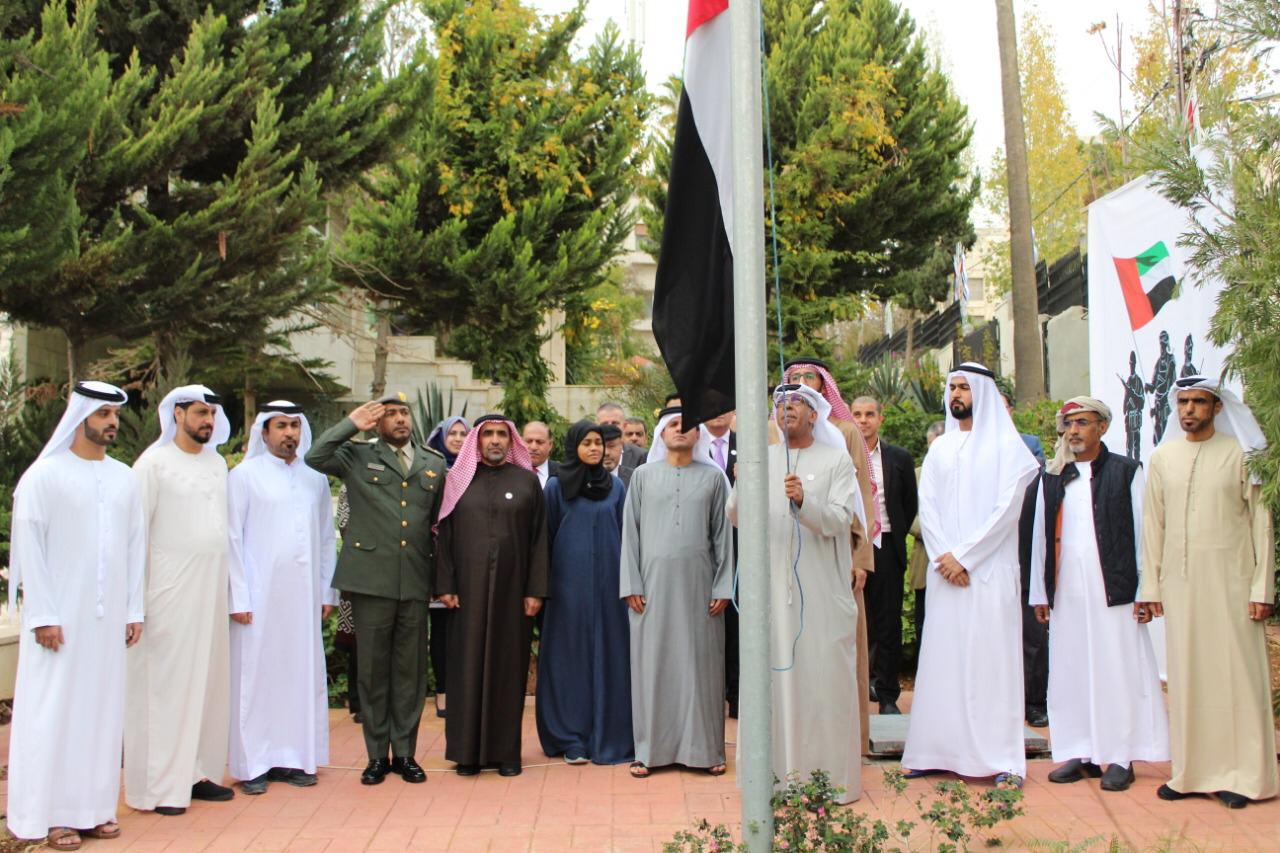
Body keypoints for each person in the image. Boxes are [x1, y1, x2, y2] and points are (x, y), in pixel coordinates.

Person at [6, 382, 145, 848]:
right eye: (103, 414)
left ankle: (93, 809)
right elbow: (29, 549)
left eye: (116, 415)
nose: (112, 422)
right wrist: (43, 615)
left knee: (100, 712)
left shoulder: (124, 477)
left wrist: (133, 609)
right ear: (81, 415)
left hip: (107, 622)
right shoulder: (44, 476)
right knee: (53, 714)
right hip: (58, 621)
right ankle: (49, 816)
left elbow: (135, 547)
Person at [1136, 376, 1278, 809]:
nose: (1189, 410)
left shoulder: (1241, 454)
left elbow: (1262, 522)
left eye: (1198, 402)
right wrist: (1151, 586)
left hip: (1234, 583)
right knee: (1187, 676)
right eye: (1183, 402)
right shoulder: (1163, 458)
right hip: (1180, 586)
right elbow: (1153, 525)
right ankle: (1191, 773)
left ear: (1217, 408)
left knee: (1237, 677)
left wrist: (1262, 588)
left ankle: (1244, 775)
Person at [902, 363, 1039, 789]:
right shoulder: (941, 448)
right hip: (946, 574)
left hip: (988, 573)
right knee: (943, 662)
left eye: (964, 387)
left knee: (990, 665)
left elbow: (1007, 511)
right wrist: (945, 557)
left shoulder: (1008, 448)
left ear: (983, 393)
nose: (956, 394)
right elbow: (928, 506)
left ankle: (1001, 760)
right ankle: (936, 751)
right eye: (952, 387)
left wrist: (965, 558)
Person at [1023, 397, 1169, 792]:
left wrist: (1146, 589)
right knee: (1071, 669)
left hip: (1115, 589)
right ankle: (1080, 751)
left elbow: (1143, 533)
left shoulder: (1126, 471)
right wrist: (1040, 593)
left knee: (1117, 670)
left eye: (1082, 423)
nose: (1073, 431)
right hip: (1068, 591)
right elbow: (1040, 539)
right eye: (1069, 424)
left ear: (1102, 427)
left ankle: (1121, 756)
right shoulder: (1053, 476)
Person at [732, 383, 865, 803]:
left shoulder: (836, 460)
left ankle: (827, 780)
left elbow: (841, 519)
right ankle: (771, 780)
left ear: (814, 415)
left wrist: (805, 500)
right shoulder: (762, 459)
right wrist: (741, 483)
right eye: (780, 404)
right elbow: (736, 516)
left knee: (823, 682)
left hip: (821, 593)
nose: (786, 409)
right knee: (770, 679)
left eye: (796, 403)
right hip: (770, 591)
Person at [305, 394, 447, 786]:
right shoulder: (357, 456)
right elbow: (315, 456)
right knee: (372, 671)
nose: (400, 419)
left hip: (414, 579)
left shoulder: (433, 463)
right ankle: (375, 756)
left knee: (409, 673)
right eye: (391, 414)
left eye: (404, 413)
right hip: (370, 581)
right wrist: (352, 424)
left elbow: (440, 525)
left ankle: (405, 754)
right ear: (378, 422)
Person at [125, 385, 236, 815]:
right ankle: (159, 787)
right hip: (168, 592)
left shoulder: (217, 464)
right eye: (200, 413)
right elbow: (135, 539)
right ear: (177, 414)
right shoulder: (152, 464)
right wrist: (135, 603)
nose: (208, 420)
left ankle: (196, 773)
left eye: (212, 414)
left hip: (211, 592)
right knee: (167, 688)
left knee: (207, 683)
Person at [227, 402, 338, 795]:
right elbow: (232, 538)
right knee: (256, 677)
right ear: (264, 432)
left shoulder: (315, 479)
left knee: (300, 674)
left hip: (303, 598)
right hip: (257, 599)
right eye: (281, 426)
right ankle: (254, 764)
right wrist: (238, 597)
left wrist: (327, 590)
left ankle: (295, 758)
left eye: (294, 425)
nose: (289, 433)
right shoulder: (243, 476)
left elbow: (326, 538)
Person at [435, 415, 549, 777]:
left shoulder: (527, 482)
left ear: (511, 441)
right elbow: (443, 536)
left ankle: (506, 754)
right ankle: (466, 754)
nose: (495, 440)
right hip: (465, 595)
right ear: (477, 441)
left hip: (513, 595)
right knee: (465, 668)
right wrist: (445, 585)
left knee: (508, 670)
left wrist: (536, 590)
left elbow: (540, 540)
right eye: (488, 435)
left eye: (502, 434)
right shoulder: (458, 481)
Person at [623, 408, 733, 778]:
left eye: (688, 425)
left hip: (701, 590)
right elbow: (630, 534)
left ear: (699, 435)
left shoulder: (714, 478)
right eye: (673, 424)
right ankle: (649, 752)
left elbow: (723, 537)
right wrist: (631, 584)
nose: (680, 430)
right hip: (650, 590)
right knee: (652, 667)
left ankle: (706, 751)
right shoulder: (642, 476)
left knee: (701, 668)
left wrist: (723, 585)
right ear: (661, 433)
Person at [772, 357, 875, 751]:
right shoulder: (772, 436)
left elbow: (859, 500)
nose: (798, 383)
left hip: (834, 557)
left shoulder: (844, 432)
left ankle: (847, 745)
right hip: (781, 566)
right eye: (792, 378)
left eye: (807, 379)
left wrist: (860, 558)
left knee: (834, 653)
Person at [536, 422, 632, 766]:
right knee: (569, 660)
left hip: (610, 590)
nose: (594, 448)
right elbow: (544, 540)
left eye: (599, 443)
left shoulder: (616, 487)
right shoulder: (556, 486)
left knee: (610, 655)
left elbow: (626, 536)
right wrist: (543, 589)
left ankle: (606, 730)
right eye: (587, 443)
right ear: (573, 447)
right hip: (567, 591)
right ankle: (570, 736)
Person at [849, 395, 918, 715]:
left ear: (880, 419)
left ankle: (888, 694)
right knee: (855, 622)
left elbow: (909, 503)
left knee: (888, 623)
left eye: (869, 414)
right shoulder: (842, 455)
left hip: (887, 546)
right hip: (853, 547)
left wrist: (893, 532)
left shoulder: (898, 458)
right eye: (857, 414)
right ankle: (857, 689)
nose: (863, 420)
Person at [998, 377, 1049, 728]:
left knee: (1032, 630)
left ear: (1011, 411)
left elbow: (1033, 488)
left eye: (1002, 407)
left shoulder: (1029, 445)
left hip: (1026, 546)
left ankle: (1034, 701)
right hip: (988, 553)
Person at [426, 416, 471, 718]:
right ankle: (442, 691)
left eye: (462, 433)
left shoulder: (474, 470)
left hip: (468, 560)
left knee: (464, 630)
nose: (456, 438)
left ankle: (462, 689)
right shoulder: (430, 471)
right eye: (451, 433)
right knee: (441, 630)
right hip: (437, 559)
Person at [702, 409, 739, 718]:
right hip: (700, 551)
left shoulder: (748, 446)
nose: (717, 413)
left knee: (738, 625)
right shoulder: (691, 446)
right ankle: (710, 695)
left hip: (741, 549)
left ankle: (737, 695)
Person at [907, 421, 945, 645]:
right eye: (933, 445)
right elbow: (907, 513)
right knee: (925, 624)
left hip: (957, 561)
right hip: (925, 558)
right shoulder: (917, 475)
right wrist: (933, 532)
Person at [597, 402, 646, 472]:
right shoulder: (590, 455)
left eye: (615, 423)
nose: (610, 428)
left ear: (624, 426)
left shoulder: (640, 455)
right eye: (605, 424)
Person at [522, 420, 558, 487]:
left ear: (550, 445)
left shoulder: (562, 474)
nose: (533, 447)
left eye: (540, 442)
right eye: (529, 441)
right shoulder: (510, 473)